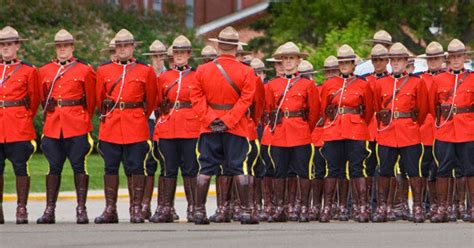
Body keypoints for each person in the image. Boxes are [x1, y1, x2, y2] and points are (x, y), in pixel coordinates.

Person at [190, 26, 258, 225]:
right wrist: (229, 120)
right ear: (236, 48)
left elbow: (195, 97)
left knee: (205, 168)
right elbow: (246, 100)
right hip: (235, 127)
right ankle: (246, 212)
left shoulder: (203, 70)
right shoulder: (247, 71)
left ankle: (199, 211)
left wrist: (211, 119)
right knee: (239, 168)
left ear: (219, 46)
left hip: (209, 127)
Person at [94, 29, 156, 224]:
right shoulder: (103, 70)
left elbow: (152, 100)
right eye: (119, 46)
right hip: (111, 124)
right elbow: (98, 99)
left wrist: (138, 115)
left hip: (135, 124)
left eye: (126, 45)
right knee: (110, 167)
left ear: (133, 47)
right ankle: (110, 209)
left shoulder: (145, 71)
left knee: (136, 167)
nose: (122, 49)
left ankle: (135, 208)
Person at [37, 29, 96, 224]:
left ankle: (81, 209)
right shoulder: (45, 70)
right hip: (54, 125)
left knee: (79, 166)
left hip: (76, 123)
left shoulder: (84, 70)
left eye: (66, 45)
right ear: (55, 48)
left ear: (72, 47)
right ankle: (49, 209)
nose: (62, 49)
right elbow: (41, 97)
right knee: (53, 167)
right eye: (59, 46)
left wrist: (82, 118)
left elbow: (92, 100)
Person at [372, 42, 429, 223]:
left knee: (413, 170)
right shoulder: (381, 83)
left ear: (406, 62)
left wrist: (410, 122)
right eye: (393, 60)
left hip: (408, 131)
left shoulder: (416, 82)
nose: (395, 63)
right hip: (387, 131)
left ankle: (417, 207)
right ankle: (384, 207)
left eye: (399, 60)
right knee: (385, 171)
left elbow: (423, 108)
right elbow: (376, 107)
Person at [265, 42, 320, 222]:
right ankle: (280, 207)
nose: (288, 62)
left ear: (298, 61)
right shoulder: (273, 85)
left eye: (291, 58)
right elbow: (268, 109)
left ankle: (304, 207)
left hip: (300, 131)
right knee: (279, 171)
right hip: (280, 132)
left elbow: (314, 112)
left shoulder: (307, 84)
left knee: (303, 171)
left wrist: (305, 128)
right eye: (285, 58)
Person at [319, 44, 374, 223]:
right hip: (334, 129)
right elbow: (323, 108)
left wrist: (355, 120)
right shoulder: (329, 84)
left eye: (347, 62)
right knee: (333, 168)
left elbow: (369, 109)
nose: (344, 65)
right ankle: (330, 207)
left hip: (356, 129)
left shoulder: (362, 84)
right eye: (341, 62)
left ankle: (361, 207)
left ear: (353, 64)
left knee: (357, 168)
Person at [149, 35, 199, 223]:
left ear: (188, 54)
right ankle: (166, 208)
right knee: (168, 168)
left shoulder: (196, 76)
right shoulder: (164, 77)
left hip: (190, 126)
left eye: (182, 52)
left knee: (190, 168)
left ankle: (193, 207)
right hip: (168, 125)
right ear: (171, 55)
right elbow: (156, 103)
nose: (179, 55)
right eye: (176, 52)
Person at [429, 39, 474, 223]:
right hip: (446, 129)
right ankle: (443, 208)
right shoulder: (438, 79)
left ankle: (471, 207)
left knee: (470, 168)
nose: (456, 60)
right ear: (448, 59)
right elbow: (432, 106)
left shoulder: (472, 78)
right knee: (444, 168)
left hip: (467, 128)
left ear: (465, 57)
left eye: (459, 56)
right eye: (453, 57)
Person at [0, 26, 39, 224]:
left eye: (9, 44)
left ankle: (21, 209)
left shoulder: (28, 70)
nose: (5, 48)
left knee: (20, 168)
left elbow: (34, 100)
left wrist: (22, 117)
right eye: (2, 45)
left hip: (18, 126)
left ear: (17, 46)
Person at [417, 41, 447, 219]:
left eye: (436, 58)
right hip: (424, 131)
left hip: (444, 130)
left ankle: (442, 205)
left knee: (442, 168)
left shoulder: (449, 78)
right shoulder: (420, 78)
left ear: (442, 59)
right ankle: (426, 205)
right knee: (423, 168)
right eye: (430, 58)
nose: (433, 61)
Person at [141, 39, 168, 220]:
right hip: (149, 121)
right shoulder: (145, 74)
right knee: (148, 163)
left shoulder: (170, 75)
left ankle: (165, 206)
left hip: (167, 121)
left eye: (161, 56)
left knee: (167, 164)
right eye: (155, 56)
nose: (158, 59)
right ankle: (145, 204)